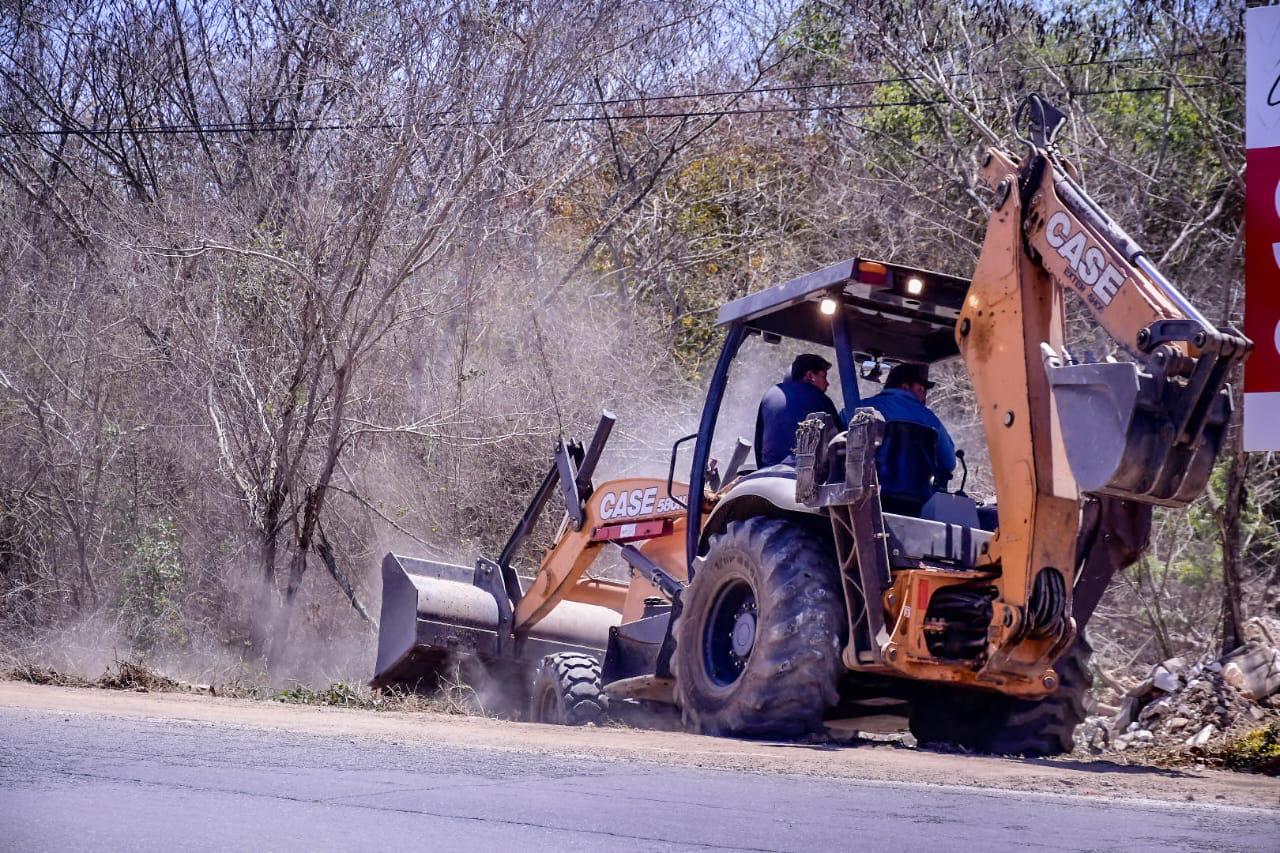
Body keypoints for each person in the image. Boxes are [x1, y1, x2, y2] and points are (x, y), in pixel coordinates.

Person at [862, 363, 956, 512]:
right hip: (917, 504)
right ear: (905, 387)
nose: (923, 396)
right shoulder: (930, 419)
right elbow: (949, 462)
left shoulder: (862, 409)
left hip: (867, 500)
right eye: (920, 389)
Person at [754, 353, 841, 468]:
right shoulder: (820, 399)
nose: (827, 384)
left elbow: (758, 444)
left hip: (767, 472)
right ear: (810, 376)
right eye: (824, 376)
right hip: (802, 476)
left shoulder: (769, 394)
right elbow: (839, 443)